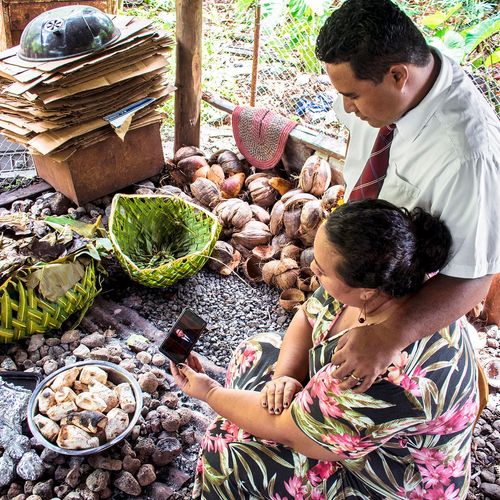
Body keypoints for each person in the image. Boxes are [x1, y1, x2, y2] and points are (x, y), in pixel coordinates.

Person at [171, 200, 478, 499]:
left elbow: (290, 431)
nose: (313, 272)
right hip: (350, 415)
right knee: (257, 352)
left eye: (322, 271)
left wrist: (210, 392)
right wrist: (285, 377)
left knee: (224, 447)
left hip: (383, 477)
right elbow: (308, 315)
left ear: (367, 291)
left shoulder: (380, 372)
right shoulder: (392, 272)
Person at [313, 0, 499, 393]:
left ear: (398, 75)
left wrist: (390, 336)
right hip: (367, 270)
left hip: (413, 298)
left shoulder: (468, 156)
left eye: (353, 96)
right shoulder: (377, 97)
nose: (345, 107)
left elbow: (473, 277)